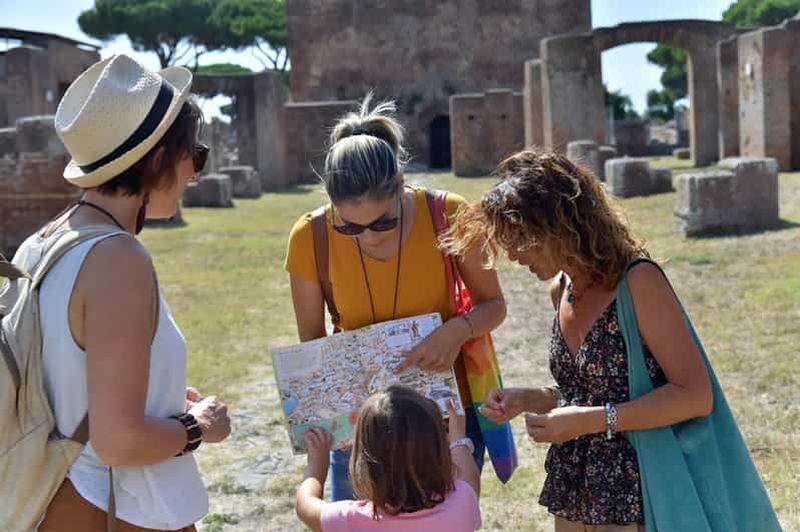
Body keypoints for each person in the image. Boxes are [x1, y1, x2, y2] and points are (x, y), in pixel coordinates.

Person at [443, 149, 715, 532]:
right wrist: (531, 399)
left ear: (558, 225)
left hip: (642, 489)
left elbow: (695, 395)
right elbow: (588, 391)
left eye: (519, 238)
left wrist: (590, 421)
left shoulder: (638, 282)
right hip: (575, 488)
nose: (512, 255)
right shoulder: (561, 289)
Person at [20, 54, 232, 531]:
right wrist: (199, 425)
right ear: (157, 159)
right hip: (117, 508)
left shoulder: (41, 243)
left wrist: (161, 396)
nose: (195, 174)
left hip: (52, 499)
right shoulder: (118, 258)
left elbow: (68, 384)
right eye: (194, 156)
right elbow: (119, 442)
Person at [284, 94, 506, 499]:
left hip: (443, 419)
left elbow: (494, 305)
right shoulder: (309, 236)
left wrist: (458, 330)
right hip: (362, 427)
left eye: (383, 221)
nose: (369, 237)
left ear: (402, 184)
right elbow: (313, 347)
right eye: (350, 227)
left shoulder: (449, 214)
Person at [295, 385, 481, 531]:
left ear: (364, 462)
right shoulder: (462, 503)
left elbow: (304, 505)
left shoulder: (350, 520)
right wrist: (458, 439)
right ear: (439, 452)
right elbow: (469, 480)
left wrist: (317, 465)